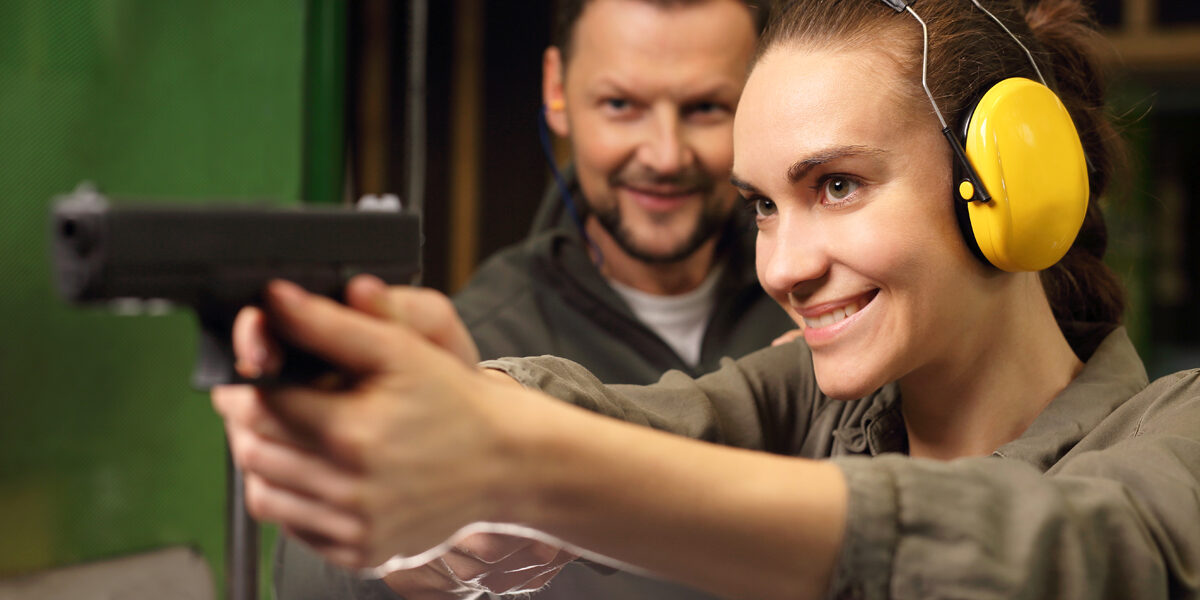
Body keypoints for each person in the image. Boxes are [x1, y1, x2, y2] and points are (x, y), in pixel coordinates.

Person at [214, 0, 1200, 598]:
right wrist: (462, 403)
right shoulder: (820, 404)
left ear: (1014, 183)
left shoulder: (1177, 431)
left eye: (838, 186)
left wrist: (523, 462)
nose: (783, 265)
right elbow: (650, 415)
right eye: (765, 205)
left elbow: (1069, 558)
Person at [271, 0, 792, 598]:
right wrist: (389, 556)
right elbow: (312, 567)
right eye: (621, 105)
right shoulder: (483, 338)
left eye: (706, 108)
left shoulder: (823, 302)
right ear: (556, 91)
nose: (665, 154)